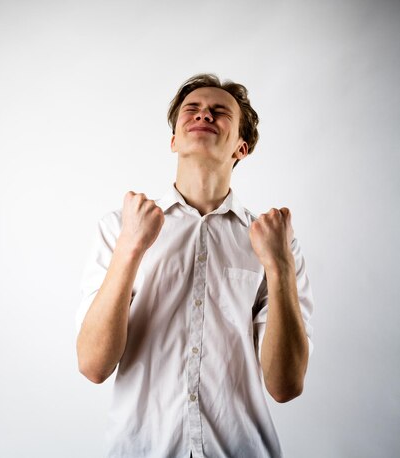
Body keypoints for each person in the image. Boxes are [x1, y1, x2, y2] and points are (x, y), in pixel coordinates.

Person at [75, 73, 314, 458]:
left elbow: (285, 386)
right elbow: (93, 365)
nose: (204, 114)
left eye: (219, 112)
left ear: (242, 147)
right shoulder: (119, 228)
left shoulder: (276, 243)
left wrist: (280, 266)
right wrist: (131, 248)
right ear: (173, 140)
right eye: (193, 109)